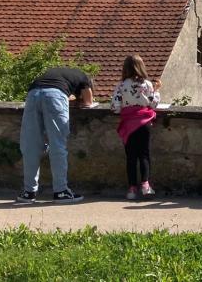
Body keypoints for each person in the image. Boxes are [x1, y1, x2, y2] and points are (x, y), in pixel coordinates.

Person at [17, 67, 95, 204]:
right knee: (57, 145)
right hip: (55, 96)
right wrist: (77, 100)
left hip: (33, 94)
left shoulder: (61, 74)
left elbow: (50, 90)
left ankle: (28, 193)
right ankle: (61, 191)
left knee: (31, 146)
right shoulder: (84, 77)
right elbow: (88, 102)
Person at [110, 55, 161, 201]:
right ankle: (145, 185)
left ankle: (132, 189)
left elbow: (115, 107)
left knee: (131, 157)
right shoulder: (147, 84)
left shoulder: (121, 85)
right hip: (144, 122)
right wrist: (157, 91)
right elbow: (153, 104)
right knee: (144, 154)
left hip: (129, 124)